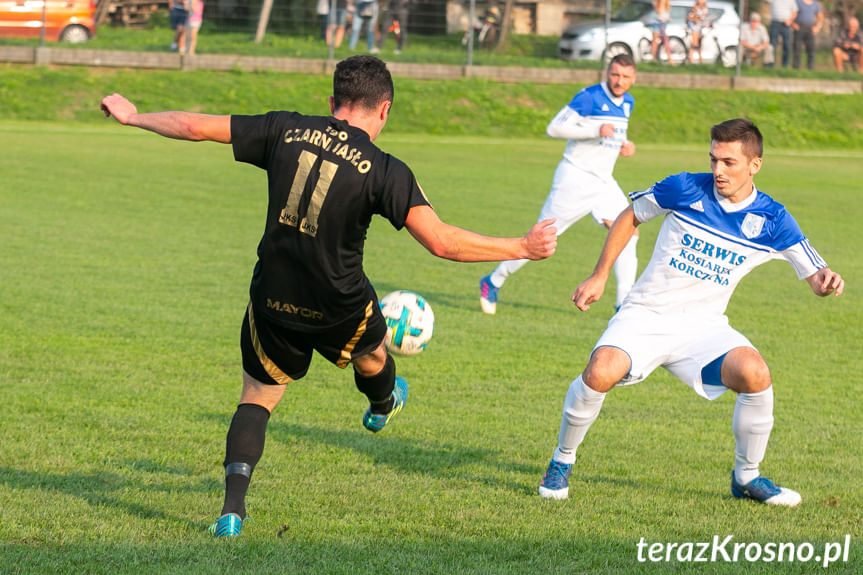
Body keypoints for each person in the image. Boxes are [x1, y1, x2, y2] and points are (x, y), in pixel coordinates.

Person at [99, 55, 557, 538]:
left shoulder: (284, 129)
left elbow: (192, 126)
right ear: (384, 111)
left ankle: (231, 512)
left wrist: (133, 116)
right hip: (340, 302)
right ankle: (382, 406)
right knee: (373, 352)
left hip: (273, 295)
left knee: (257, 397)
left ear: (332, 102)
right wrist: (521, 247)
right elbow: (441, 241)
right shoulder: (385, 169)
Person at [537, 118, 844, 507]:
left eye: (729, 162)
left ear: (755, 165)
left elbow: (816, 275)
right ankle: (561, 461)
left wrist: (827, 281)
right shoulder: (683, 188)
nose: (718, 170)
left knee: (755, 373)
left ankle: (747, 478)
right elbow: (630, 214)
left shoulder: (772, 219)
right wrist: (599, 276)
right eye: (714, 159)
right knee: (599, 371)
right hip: (646, 315)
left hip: (704, 329)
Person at [479, 54, 638, 315]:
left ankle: (624, 307)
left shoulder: (628, 102)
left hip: (603, 181)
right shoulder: (589, 97)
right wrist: (594, 131)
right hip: (574, 179)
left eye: (625, 77)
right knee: (540, 243)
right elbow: (554, 129)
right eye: (615, 74)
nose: (619, 81)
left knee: (629, 230)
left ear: (634, 78)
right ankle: (493, 281)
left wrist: (625, 145)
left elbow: (617, 133)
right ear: (607, 73)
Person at [791, 0, 823, 70]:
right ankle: (796, 69)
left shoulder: (815, 3)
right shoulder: (797, 2)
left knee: (811, 50)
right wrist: (793, 24)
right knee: (797, 49)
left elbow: (820, 16)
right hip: (799, 28)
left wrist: (818, 27)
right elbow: (791, 13)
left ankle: (810, 69)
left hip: (810, 29)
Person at [768, 0, 797, 67]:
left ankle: (785, 66)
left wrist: (790, 20)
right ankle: (771, 65)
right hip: (775, 23)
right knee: (773, 44)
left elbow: (794, 12)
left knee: (786, 45)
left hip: (786, 24)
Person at [686, 0, 710, 64]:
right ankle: (691, 59)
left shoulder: (705, 8)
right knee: (694, 43)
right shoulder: (695, 7)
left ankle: (700, 60)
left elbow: (705, 17)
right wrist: (696, 18)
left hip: (701, 27)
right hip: (695, 27)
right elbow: (689, 17)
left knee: (699, 44)